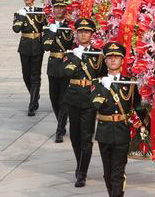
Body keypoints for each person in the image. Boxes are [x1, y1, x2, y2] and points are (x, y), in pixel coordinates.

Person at [92, 41, 144, 197]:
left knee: (117, 172)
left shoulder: (130, 83)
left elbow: (139, 107)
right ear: (105, 60)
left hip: (122, 130)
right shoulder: (98, 82)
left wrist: (150, 128)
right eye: (110, 57)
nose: (113, 60)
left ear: (122, 61)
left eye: (117, 57)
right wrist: (105, 87)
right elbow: (94, 104)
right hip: (104, 131)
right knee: (107, 173)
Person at [62, 18, 106, 188]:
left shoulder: (98, 54)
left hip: (89, 98)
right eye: (80, 32)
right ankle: (80, 163)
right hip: (73, 97)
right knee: (74, 136)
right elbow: (64, 73)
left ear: (91, 35)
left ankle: (82, 172)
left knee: (86, 137)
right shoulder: (70, 53)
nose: (83, 34)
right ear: (76, 34)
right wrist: (75, 58)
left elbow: (102, 77)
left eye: (86, 32)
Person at [43, 0, 75, 142]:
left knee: (64, 99)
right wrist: (52, 32)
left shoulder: (71, 26)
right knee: (53, 98)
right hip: (53, 64)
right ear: (53, 9)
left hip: (66, 64)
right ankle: (61, 123)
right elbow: (45, 46)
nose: (58, 10)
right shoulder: (48, 26)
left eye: (61, 7)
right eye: (56, 7)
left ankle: (59, 129)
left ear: (65, 10)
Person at [13, 0, 46, 116]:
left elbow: (47, 27)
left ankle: (32, 103)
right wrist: (21, 17)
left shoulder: (40, 11)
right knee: (26, 74)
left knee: (35, 75)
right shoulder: (20, 12)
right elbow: (16, 29)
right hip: (25, 45)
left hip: (37, 44)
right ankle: (35, 94)